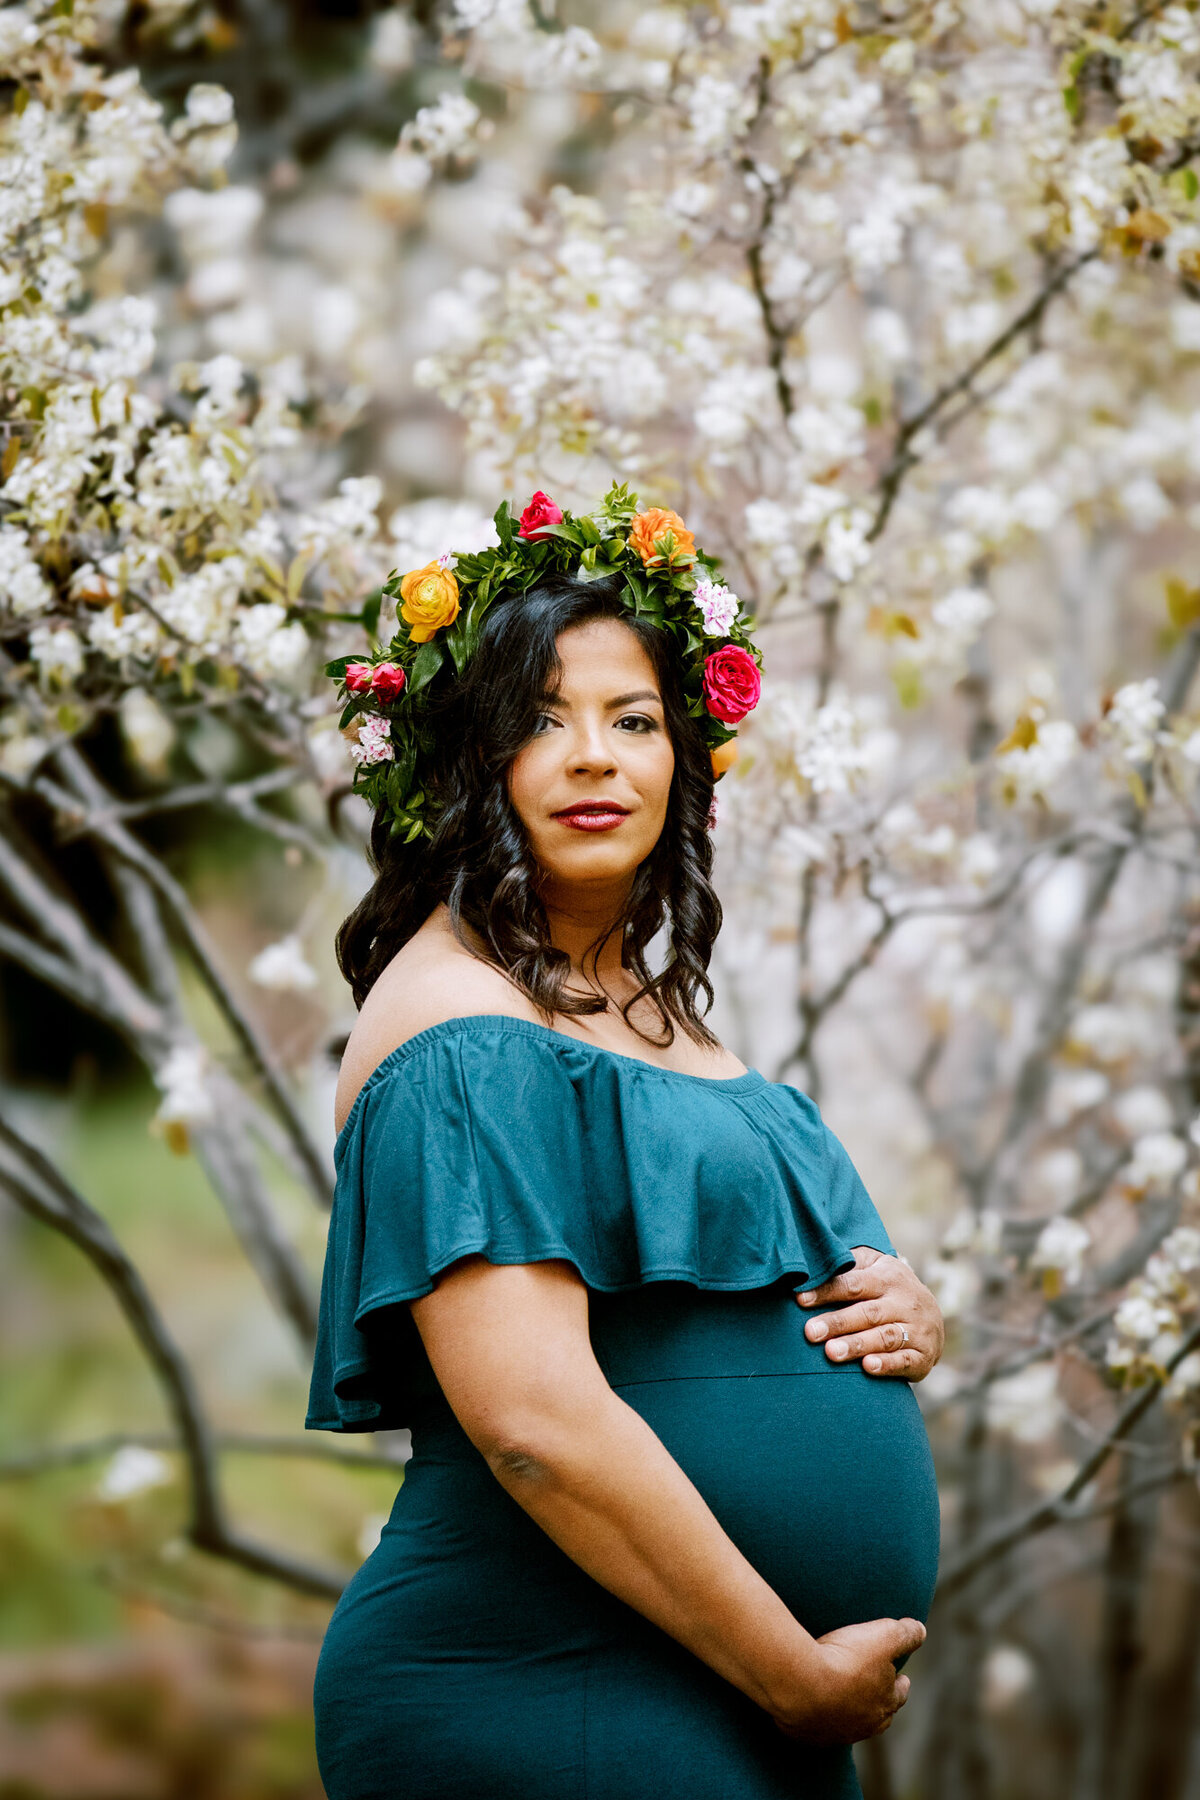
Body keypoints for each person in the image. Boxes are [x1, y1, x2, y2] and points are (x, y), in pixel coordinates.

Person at [305, 490, 944, 1800]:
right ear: (456, 764)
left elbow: (728, 1292)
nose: (595, 756)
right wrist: (793, 1677)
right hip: (558, 1684)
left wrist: (901, 1317)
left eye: (634, 719)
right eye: (539, 721)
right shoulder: (458, 1032)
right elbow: (535, 1417)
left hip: (719, 1690)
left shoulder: (640, 1009)